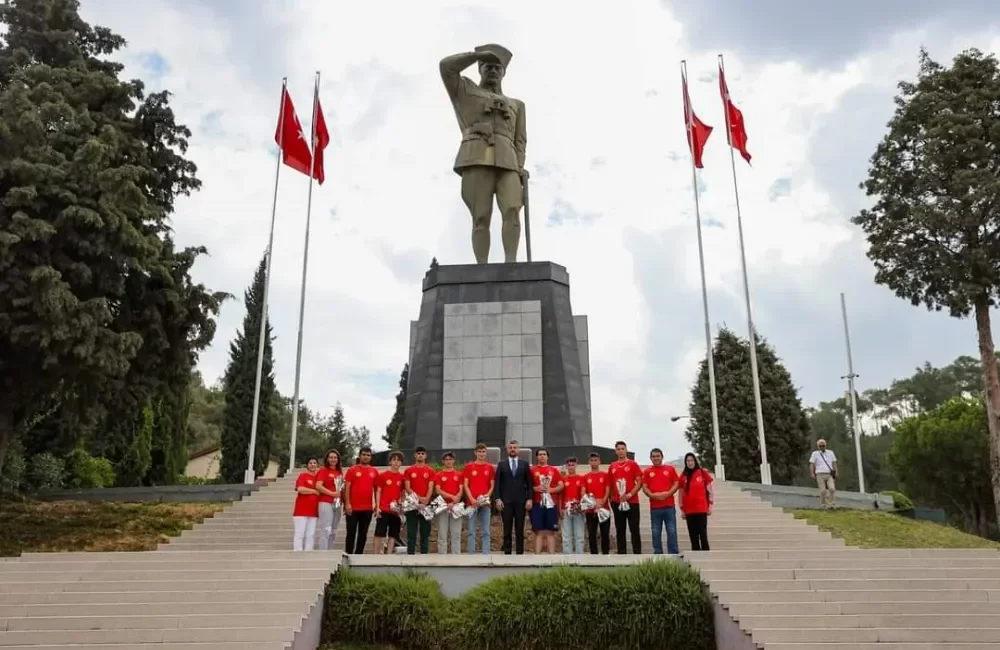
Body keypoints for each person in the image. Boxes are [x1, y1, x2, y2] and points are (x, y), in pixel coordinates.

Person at [439, 44, 527, 264]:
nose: (493, 71)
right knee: (480, 217)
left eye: (498, 68)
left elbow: (520, 141)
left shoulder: (517, 105)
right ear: (480, 69)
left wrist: (519, 168)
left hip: (509, 162)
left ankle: (511, 265)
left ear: (504, 73)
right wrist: (476, 55)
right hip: (476, 156)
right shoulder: (464, 90)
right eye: (488, 66)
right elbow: (446, 67)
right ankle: (481, 267)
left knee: (512, 210)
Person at [495, 439, 532, 555]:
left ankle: (520, 551)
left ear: (518, 449)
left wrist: (529, 499)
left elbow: (530, 484)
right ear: (507, 450)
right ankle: (507, 551)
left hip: (521, 501)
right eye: (510, 447)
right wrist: (498, 498)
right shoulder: (501, 464)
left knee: (520, 528)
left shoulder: (524, 464)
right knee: (507, 528)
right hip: (506, 501)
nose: (513, 449)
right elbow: (497, 484)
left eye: (515, 447)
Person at [608, 440, 643, 554]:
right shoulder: (612, 466)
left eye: (623, 449)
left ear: (626, 450)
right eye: (618, 449)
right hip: (617, 502)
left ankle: (637, 554)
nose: (621, 451)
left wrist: (630, 494)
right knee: (620, 529)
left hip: (632, 501)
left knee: (634, 528)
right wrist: (611, 499)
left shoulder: (633, 464)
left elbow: (639, 481)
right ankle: (621, 553)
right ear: (615, 451)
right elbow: (610, 484)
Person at [643, 448, 680, 555]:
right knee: (655, 531)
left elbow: (676, 483)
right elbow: (644, 486)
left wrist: (667, 494)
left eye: (657, 456)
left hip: (669, 506)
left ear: (662, 457)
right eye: (653, 456)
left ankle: (673, 552)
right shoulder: (647, 471)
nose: (656, 458)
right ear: (650, 458)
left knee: (672, 530)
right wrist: (652, 495)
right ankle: (658, 552)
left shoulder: (670, 469)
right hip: (655, 508)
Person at [343, 447, 379, 554]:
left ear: (371, 457)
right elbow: (347, 487)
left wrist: (377, 505)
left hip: (367, 508)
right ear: (360, 456)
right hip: (352, 508)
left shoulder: (374, 471)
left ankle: (359, 555)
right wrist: (347, 503)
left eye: (368, 455)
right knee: (351, 533)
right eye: (364, 454)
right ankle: (348, 554)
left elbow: (377, 489)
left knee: (363, 534)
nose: (366, 457)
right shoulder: (352, 470)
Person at [463, 442, 496, 554]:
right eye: (479, 451)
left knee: (486, 530)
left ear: (486, 453)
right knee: (471, 530)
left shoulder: (490, 467)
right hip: (471, 503)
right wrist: (471, 499)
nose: (481, 454)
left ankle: (486, 553)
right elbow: (466, 485)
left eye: (483, 452)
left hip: (485, 503)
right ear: (475, 453)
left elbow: (492, 485)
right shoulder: (468, 467)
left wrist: (487, 496)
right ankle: (471, 553)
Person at [529, 448, 563, 554]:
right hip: (537, 503)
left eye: (544, 454)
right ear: (537, 457)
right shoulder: (532, 470)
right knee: (538, 531)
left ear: (547, 456)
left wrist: (551, 490)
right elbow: (526, 485)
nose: (542, 456)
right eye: (540, 454)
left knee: (550, 531)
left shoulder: (553, 470)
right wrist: (535, 488)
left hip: (551, 504)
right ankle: (537, 557)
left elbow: (561, 485)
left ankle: (551, 557)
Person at [678, 452, 713, 552]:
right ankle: (696, 557)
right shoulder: (683, 476)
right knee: (693, 536)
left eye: (691, 460)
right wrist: (682, 509)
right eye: (688, 461)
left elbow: (710, 490)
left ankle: (706, 555)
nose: (690, 463)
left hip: (701, 509)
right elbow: (681, 493)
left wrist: (710, 505)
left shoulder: (702, 473)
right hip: (689, 510)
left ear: (695, 461)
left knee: (702, 534)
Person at [404, 446, 435, 554]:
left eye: (422, 453)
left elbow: (431, 487)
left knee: (425, 533)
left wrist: (426, 500)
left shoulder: (430, 471)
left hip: (426, 505)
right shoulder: (409, 470)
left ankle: (424, 557)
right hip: (412, 505)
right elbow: (408, 488)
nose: (420, 455)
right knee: (411, 533)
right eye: (418, 453)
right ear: (415, 455)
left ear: (425, 456)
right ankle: (410, 556)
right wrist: (418, 500)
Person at [373, 452, 405, 555]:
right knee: (379, 533)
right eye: (394, 459)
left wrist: (402, 505)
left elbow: (402, 493)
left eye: (398, 460)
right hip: (383, 508)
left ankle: (389, 554)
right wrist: (377, 507)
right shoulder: (383, 475)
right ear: (390, 461)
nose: (396, 462)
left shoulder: (402, 477)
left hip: (395, 510)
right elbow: (378, 491)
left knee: (393, 534)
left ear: (401, 463)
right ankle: (376, 554)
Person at [435, 451, 465, 554]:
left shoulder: (459, 474)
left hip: (456, 507)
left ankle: (456, 558)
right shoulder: (439, 475)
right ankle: (442, 558)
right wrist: (451, 497)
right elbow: (438, 490)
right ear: (443, 461)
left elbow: (461, 489)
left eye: (450, 459)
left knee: (456, 534)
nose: (448, 461)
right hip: (443, 506)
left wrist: (456, 498)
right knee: (442, 534)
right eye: (446, 459)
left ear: (454, 461)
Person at [315, 449, 343, 551]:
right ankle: (323, 551)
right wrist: (332, 494)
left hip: (337, 503)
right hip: (325, 502)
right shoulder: (323, 470)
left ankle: (329, 551)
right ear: (327, 459)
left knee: (334, 530)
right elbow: (318, 486)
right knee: (326, 529)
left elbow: (340, 488)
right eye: (331, 457)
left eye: (335, 457)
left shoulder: (339, 472)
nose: (333, 459)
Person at [583, 452, 611, 554]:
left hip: (604, 509)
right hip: (591, 510)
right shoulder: (585, 477)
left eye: (596, 460)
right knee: (591, 534)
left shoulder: (605, 475)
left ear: (599, 461)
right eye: (592, 460)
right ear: (589, 462)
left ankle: (605, 554)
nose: (594, 462)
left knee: (605, 533)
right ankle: (594, 555)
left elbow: (608, 490)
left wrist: (602, 501)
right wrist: (593, 503)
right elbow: (583, 492)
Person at [292, 458, 321, 552]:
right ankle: (297, 552)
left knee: (311, 534)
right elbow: (300, 489)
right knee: (300, 533)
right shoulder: (303, 475)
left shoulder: (318, 478)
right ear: (307, 465)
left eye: (314, 463)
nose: (312, 465)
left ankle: (309, 552)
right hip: (301, 511)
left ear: (317, 465)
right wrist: (313, 491)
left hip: (314, 511)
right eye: (310, 463)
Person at [560, 457, 586, 554]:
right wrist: (560, 508)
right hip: (566, 509)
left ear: (576, 465)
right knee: (566, 536)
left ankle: (579, 559)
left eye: (573, 465)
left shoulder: (581, 478)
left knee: (579, 536)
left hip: (578, 509)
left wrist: (583, 507)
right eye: (569, 465)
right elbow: (560, 495)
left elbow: (583, 493)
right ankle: (567, 559)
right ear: (566, 466)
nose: (571, 467)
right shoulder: (563, 479)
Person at [809, 439, 838, 509]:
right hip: (819, 473)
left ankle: (832, 504)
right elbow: (812, 464)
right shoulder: (815, 454)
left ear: (825, 445)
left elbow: (834, 463)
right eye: (820, 446)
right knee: (823, 491)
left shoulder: (830, 452)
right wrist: (812, 473)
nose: (822, 447)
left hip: (829, 473)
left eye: (823, 445)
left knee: (832, 489)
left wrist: (836, 472)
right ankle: (823, 505)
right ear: (818, 446)